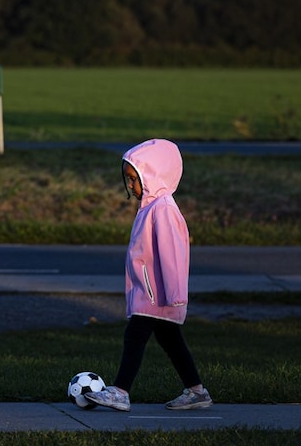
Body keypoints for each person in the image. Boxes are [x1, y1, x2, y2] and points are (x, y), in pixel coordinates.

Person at [86, 139, 212, 412]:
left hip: (157, 294)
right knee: (170, 339)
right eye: (128, 180)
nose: (131, 186)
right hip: (153, 292)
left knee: (135, 336)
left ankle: (120, 392)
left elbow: (172, 253)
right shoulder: (151, 207)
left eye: (135, 179)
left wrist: (175, 295)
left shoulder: (163, 209)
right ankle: (196, 391)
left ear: (152, 175)